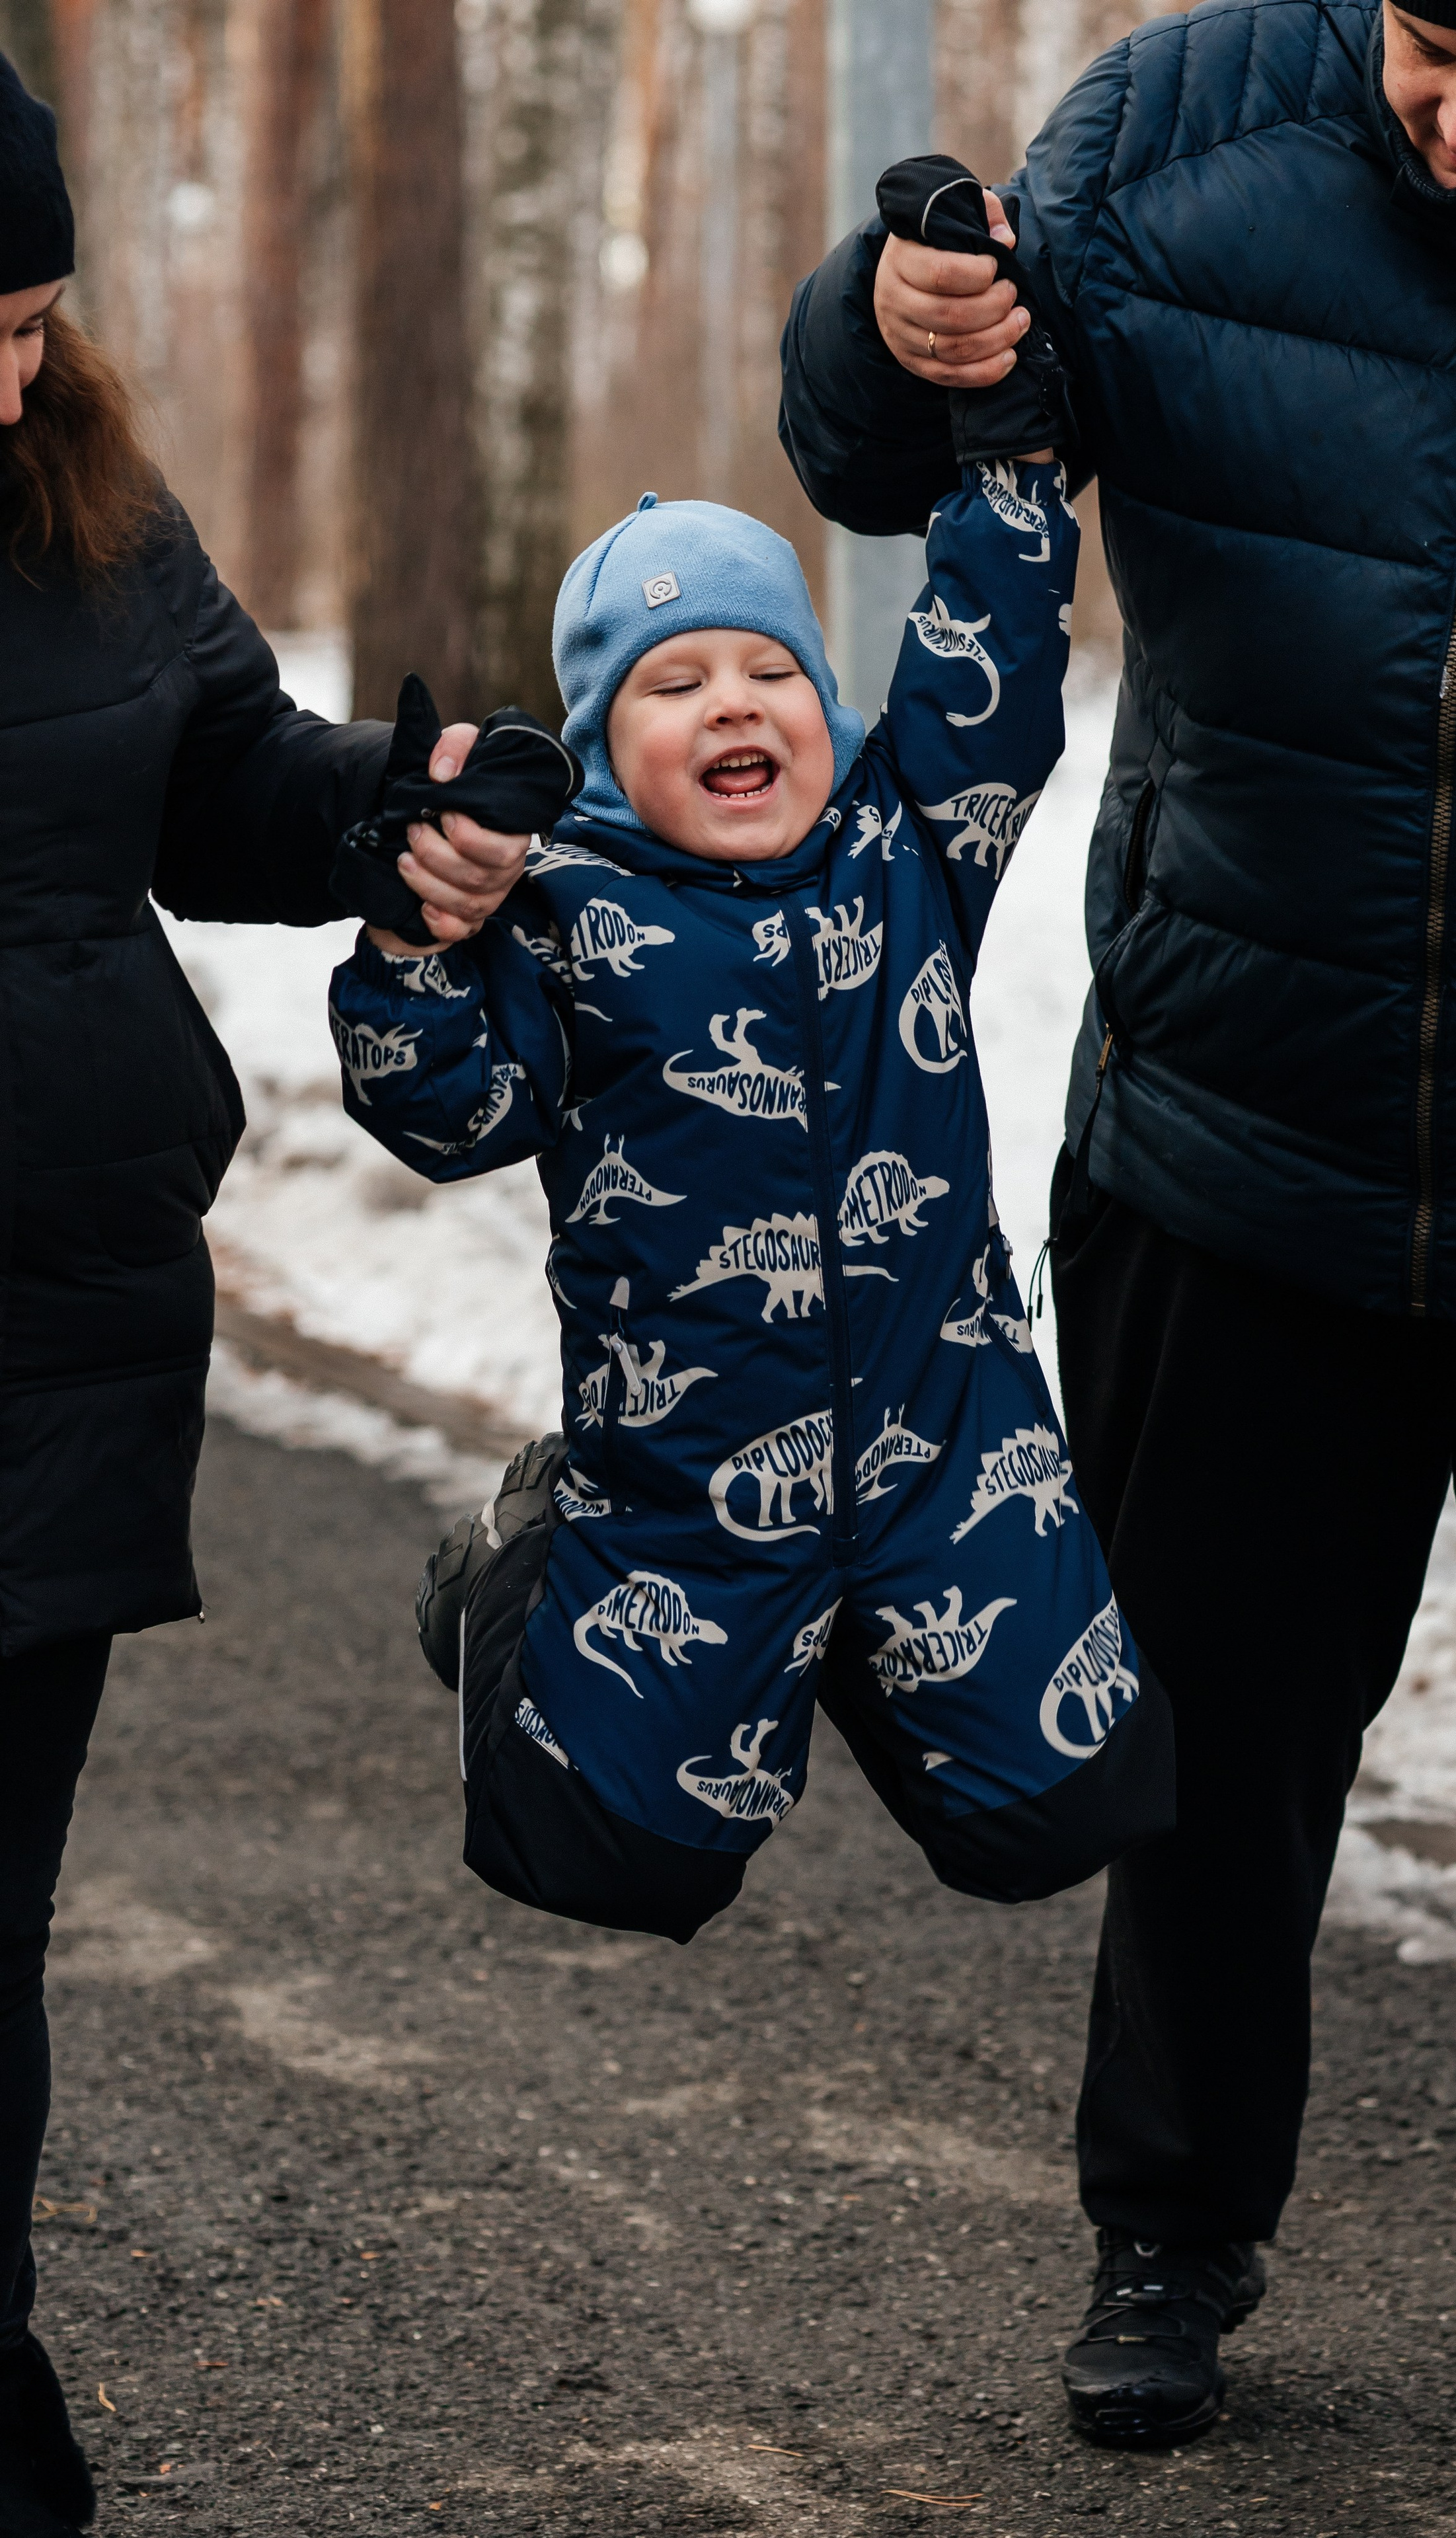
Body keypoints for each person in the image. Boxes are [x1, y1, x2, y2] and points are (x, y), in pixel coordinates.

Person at [780, 2, 1456, 2525]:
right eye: (1429, 47)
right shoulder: (1176, 139)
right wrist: (893, 324)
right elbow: (882, 454)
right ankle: (1168, 2234)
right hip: (1236, 1141)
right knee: (1208, 1740)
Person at [0, 59, 531, 2538]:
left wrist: (385, 819)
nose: (12, 381)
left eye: (32, 325)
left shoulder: (79, 501)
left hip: (55, 1320)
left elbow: (216, 772)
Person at [325, 457, 1176, 1948]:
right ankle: (508, 1595)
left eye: (768, 667)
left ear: (823, 711)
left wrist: (1012, 464)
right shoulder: (565, 918)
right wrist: (413, 940)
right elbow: (441, 1115)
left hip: (943, 1450)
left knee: (1075, 1814)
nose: (732, 702)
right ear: (598, 749)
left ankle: (866, 1650)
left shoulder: (906, 850)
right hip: (690, 1491)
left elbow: (990, 669)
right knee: (598, 1859)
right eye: (674, 684)